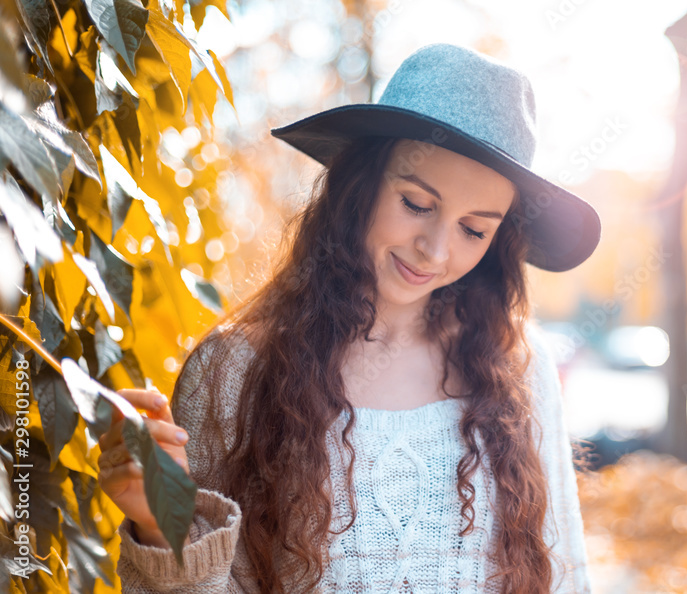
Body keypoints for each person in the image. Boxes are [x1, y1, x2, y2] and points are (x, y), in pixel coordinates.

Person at [97, 43, 601, 593]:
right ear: (360, 184)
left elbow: (566, 576)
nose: (435, 250)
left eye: (474, 229)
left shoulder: (519, 369)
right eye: (416, 203)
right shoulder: (235, 372)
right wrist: (156, 525)